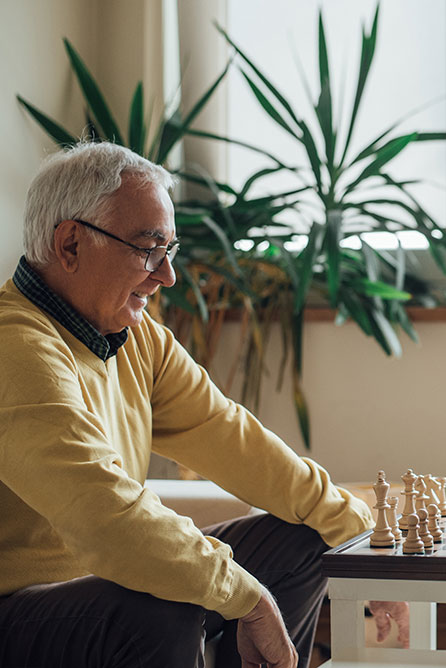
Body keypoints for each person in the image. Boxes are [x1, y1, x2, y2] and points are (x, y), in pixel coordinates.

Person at [0, 142, 407, 667]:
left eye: (168, 252)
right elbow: (108, 520)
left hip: (95, 594)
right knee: (161, 606)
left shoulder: (137, 338)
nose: (165, 276)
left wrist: (356, 533)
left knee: (305, 537)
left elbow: (230, 435)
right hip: (18, 612)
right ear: (72, 243)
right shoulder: (16, 347)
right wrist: (248, 595)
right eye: (148, 249)